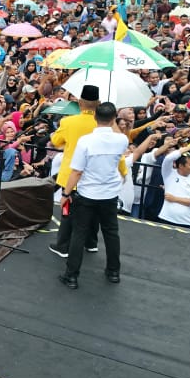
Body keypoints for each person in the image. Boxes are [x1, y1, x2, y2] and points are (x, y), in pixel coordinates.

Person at [58, 102, 128, 290]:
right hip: (110, 194)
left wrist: (65, 193)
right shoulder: (121, 140)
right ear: (114, 119)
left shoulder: (86, 141)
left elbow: (76, 172)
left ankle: (71, 275)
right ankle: (113, 272)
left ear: (95, 117)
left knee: (79, 234)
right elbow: (118, 135)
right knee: (111, 233)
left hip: (87, 193)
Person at [49, 85, 102, 259]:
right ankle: (91, 243)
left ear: (79, 103)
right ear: (98, 103)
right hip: (95, 175)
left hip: (72, 173)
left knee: (68, 212)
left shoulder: (68, 122)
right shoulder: (104, 125)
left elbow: (56, 141)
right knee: (93, 211)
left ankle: (62, 245)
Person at [158, 146, 190, 229]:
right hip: (166, 219)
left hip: (187, 223)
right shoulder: (168, 173)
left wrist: (175, 199)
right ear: (180, 166)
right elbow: (169, 158)